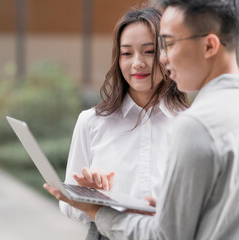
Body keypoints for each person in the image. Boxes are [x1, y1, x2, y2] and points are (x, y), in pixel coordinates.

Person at [44, 0, 239, 239]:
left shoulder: (196, 124)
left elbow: (166, 235)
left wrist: (98, 211)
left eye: (168, 44)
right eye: (127, 52)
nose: (164, 58)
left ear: (209, 46)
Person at [59, 7, 188, 240]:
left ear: (167, 54)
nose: (137, 63)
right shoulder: (92, 122)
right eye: (126, 54)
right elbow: (67, 206)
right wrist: (91, 194)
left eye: (149, 51)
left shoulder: (190, 125)